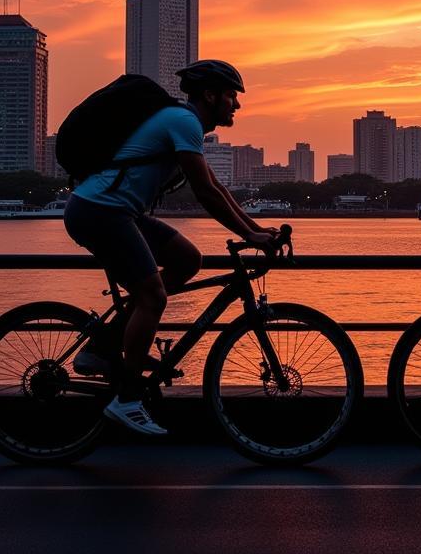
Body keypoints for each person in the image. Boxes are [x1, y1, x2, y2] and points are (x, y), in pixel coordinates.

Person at [63, 59, 278, 435]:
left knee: (186, 259)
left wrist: (259, 232)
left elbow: (219, 189)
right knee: (153, 296)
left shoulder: (184, 124)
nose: (236, 105)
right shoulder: (183, 121)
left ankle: (105, 346)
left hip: (117, 212)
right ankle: (127, 400)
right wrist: (251, 238)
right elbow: (206, 192)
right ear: (209, 95)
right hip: (99, 211)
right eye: (231, 96)